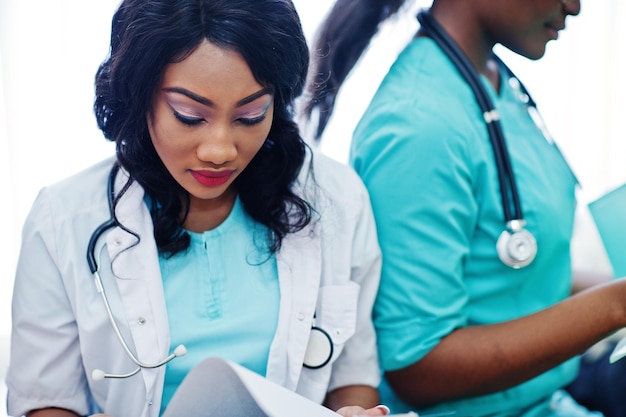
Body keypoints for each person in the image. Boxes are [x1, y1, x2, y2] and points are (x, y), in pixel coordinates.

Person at [5, 1, 389, 416]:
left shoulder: (337, 199)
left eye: (251, 114)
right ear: (141, 96)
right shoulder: (62, 220)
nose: (220, 150)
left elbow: (353, 378)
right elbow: (47, 402)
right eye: (190, 116)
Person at [304, 0, 626, 416]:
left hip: (548, 397)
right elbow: (418, 368)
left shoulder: (489, 79)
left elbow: (511, 277)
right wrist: (616, 304)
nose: (575, 6)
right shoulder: (419, 127)